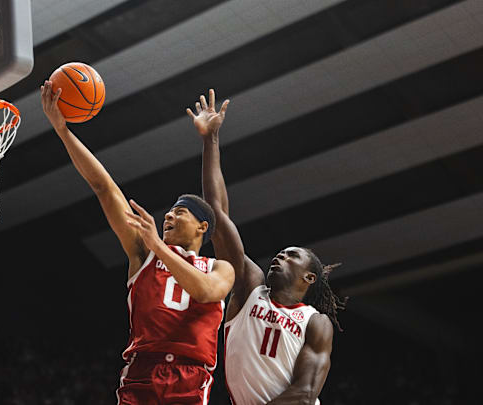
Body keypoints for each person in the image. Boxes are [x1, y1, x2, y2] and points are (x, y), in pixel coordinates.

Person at [41, 81, 235, 404]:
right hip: (141, 376)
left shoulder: (219, 267)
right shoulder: (143, 251)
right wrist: (63, 131)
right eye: (169, 213)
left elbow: (205, 292)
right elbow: (104, 187)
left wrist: (159, 247)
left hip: (189, 381)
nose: (169, 217)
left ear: (203, 227)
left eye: (180, 213)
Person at [186, 89, 347, 405]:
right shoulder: (249, 287)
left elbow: (304, 395)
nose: (280, 256)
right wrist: (210, 141)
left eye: (292, 256)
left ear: (309, 278)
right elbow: (217, 215)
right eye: (281, 252)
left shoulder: (315, 322)